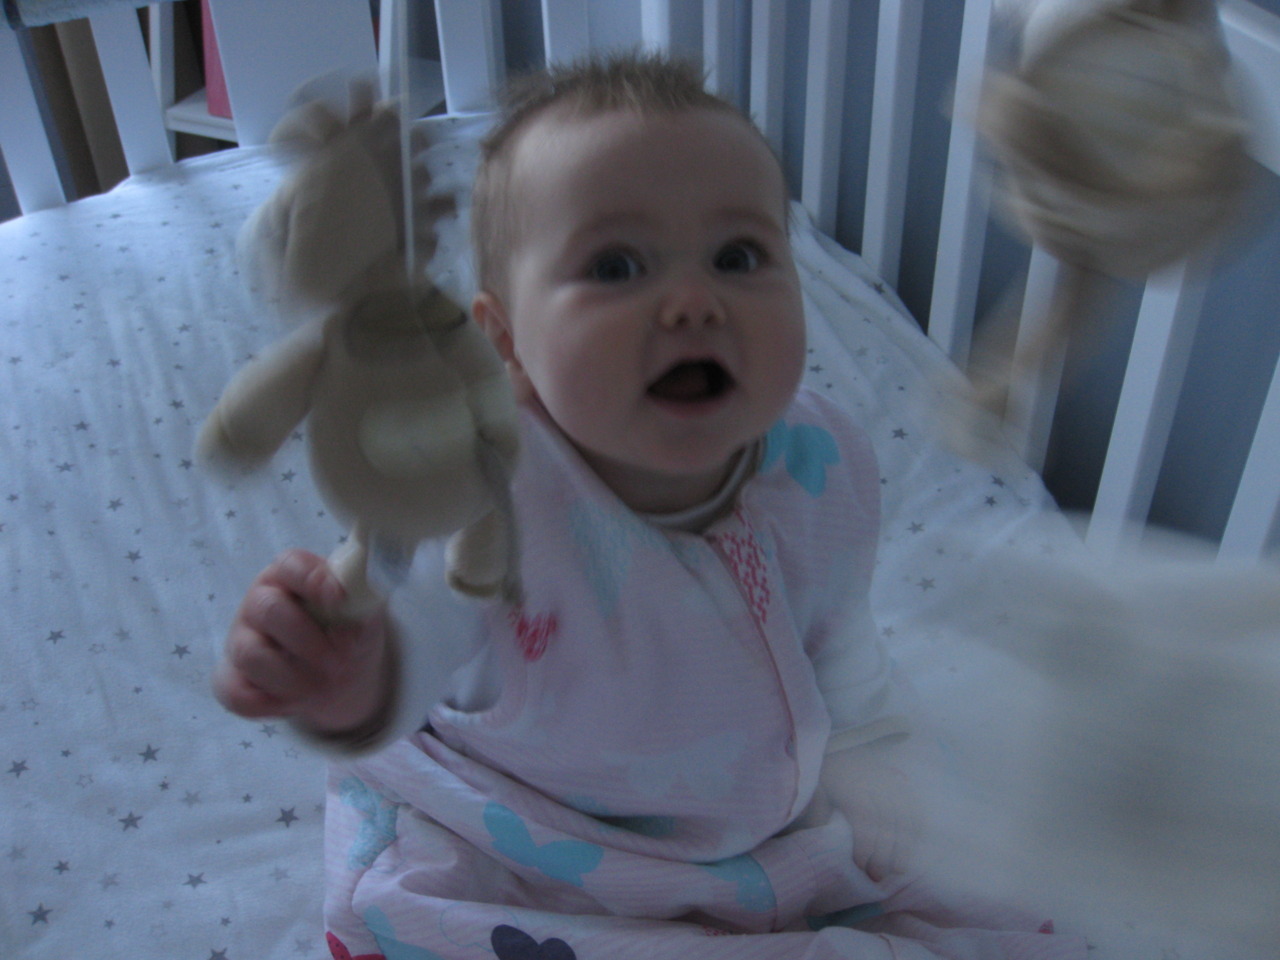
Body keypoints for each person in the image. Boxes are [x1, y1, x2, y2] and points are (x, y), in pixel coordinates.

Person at [213, 53, 1086, 960]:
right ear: (504, 343)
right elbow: (415, 647)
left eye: (739, 256)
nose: (692, 302)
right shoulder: (487, 502)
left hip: (763, 821)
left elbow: (836, 627)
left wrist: (865, 740)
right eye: (617, 264)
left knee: (983, 883)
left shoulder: (820, 458)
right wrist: (340, 675)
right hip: (535, 833)